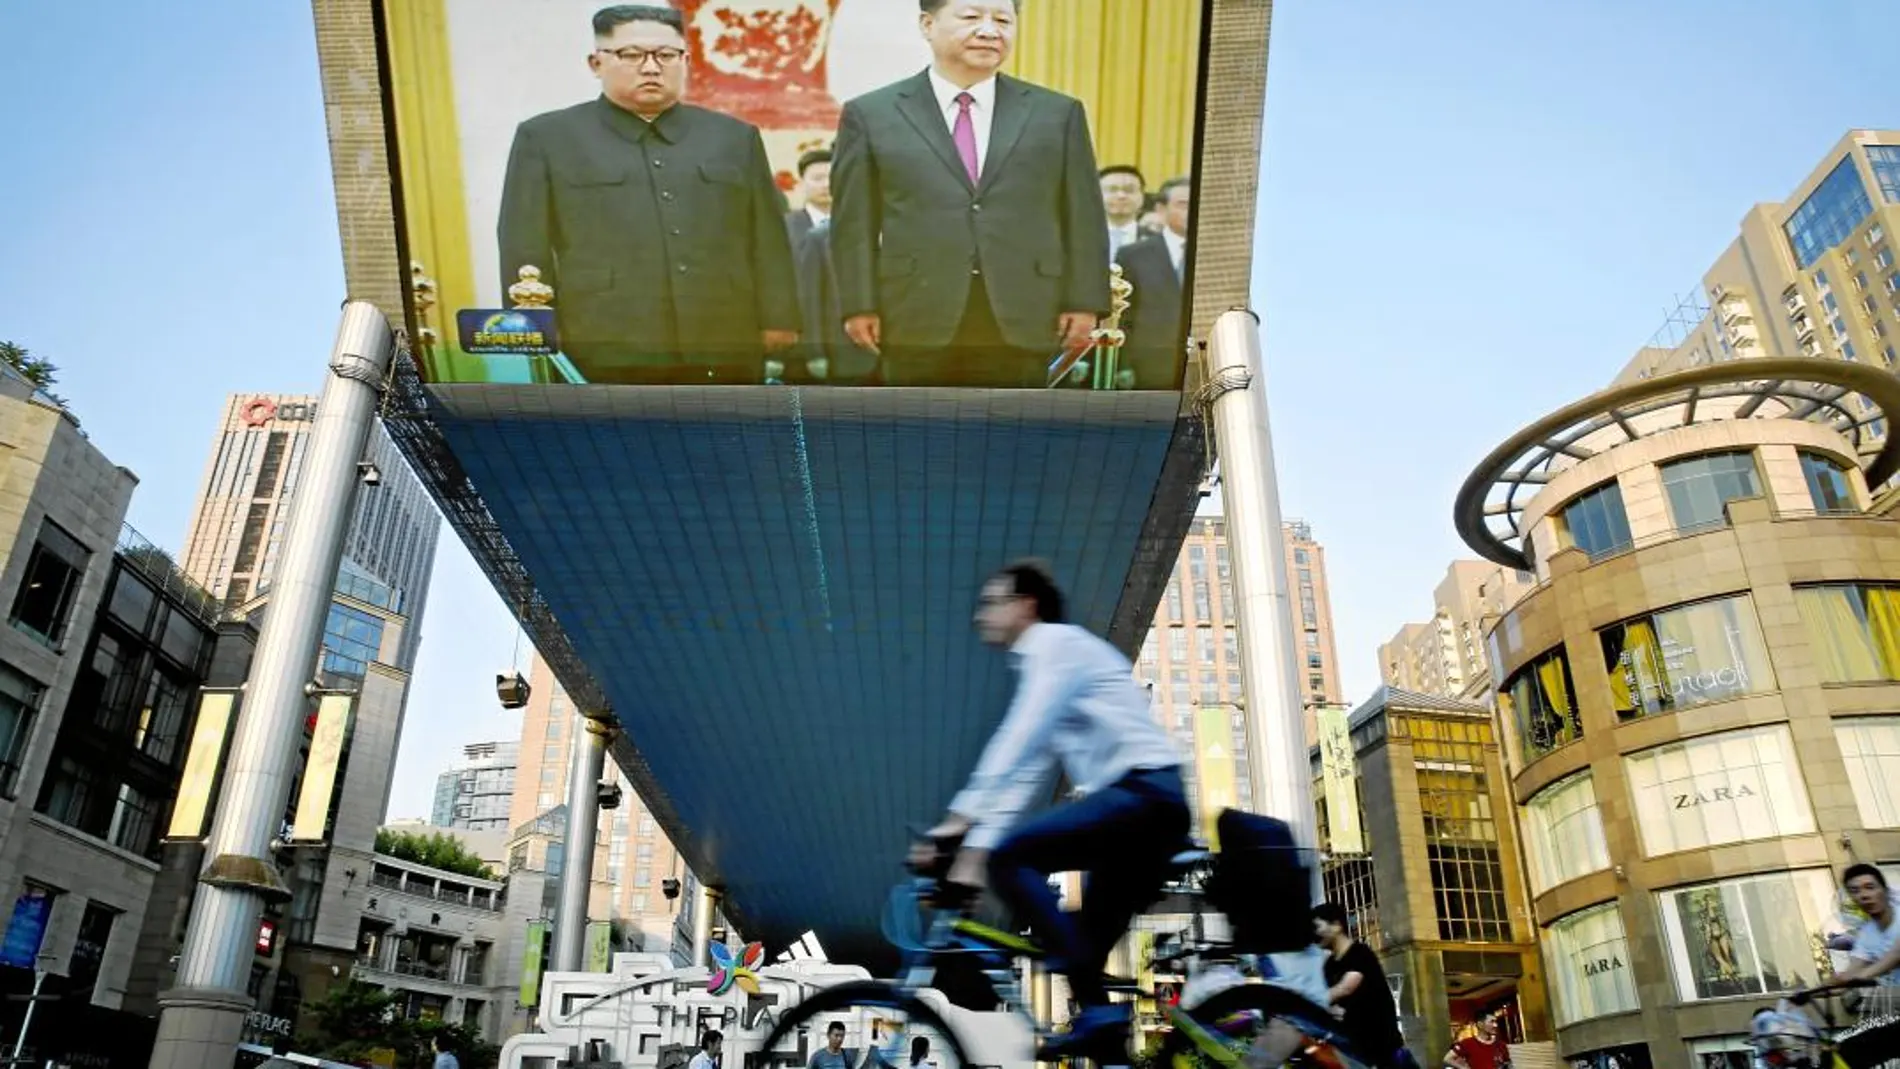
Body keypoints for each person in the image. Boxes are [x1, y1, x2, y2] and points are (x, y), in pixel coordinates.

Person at [910, 560, 1188, 1060]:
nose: (981, 616)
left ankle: (1100, 1016)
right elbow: (1027, 772)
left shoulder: (1057, 648)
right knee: (1086, 965)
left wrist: (958, 822)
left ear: (1026, 606)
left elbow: (1019, 735)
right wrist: (972, 850)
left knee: (1013, 860)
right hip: (1142, 812)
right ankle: (1109, 1042)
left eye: (992, 602)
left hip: (1144, 798)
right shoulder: (1052, 661)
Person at [497, 4, 800, 384]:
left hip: (723, 335)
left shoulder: (734, 137)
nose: (652, 67)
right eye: (631, 54)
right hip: (602, 337)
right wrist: (533, 329)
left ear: (685, 60)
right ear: (596, 63)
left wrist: (779, 317)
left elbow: (767, 238)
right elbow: (523, 242)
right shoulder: (547, 138)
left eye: (667, 55)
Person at [829, 0, 1111, 388]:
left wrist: (1084, 301)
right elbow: (853, 223)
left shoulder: (1057, 113)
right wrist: (858, 304)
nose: (990, 30)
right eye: (971, 17)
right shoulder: (873, 113)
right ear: (927, 25)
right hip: (913, 309)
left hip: (1024, 308)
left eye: (1002, 20)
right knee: (917, 435)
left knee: (1012, 438)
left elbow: (1083, 215)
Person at [1793, 864, 1900, 1067]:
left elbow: (1895, 956)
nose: (1864, 895)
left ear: (1884, 891)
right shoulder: (1867, 936)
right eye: (1855, 891)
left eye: (1870, 887)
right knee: (1840, 1053)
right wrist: (1809, 993)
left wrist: (1865, 974)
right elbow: (1846, 975)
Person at [1113, 176, 1191, 389]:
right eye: (1183, 205)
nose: (1192, 211)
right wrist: (1123, 365)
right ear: (1161, 209)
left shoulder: (1216, 255)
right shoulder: (1133, 255)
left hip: (1200, 365)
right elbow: (1123, 316)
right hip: (1147, 367)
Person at [1313, 903, 1405, 1068]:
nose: (1313, 933)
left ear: (1336, 926)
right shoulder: (1329, 966)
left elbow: (1347, 987)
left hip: (1384, 1049)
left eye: (1317, 926)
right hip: (1356, 1052)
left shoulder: (1360, 953)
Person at [1099, 165, 1147, 259]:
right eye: (1112, 190)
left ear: (1142, 196)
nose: (1121, 196)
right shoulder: (1078, 238)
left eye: (1129, 190)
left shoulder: (1158, 240)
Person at [1444, 1013, 1509, 1069]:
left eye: (1495, 1022)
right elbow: (1447, 1058)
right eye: (1491, 1022)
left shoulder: (1501, 1044)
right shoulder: (1467, 1043)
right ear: (1480, 1024)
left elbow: (1507, 1063)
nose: (1495, 1025)